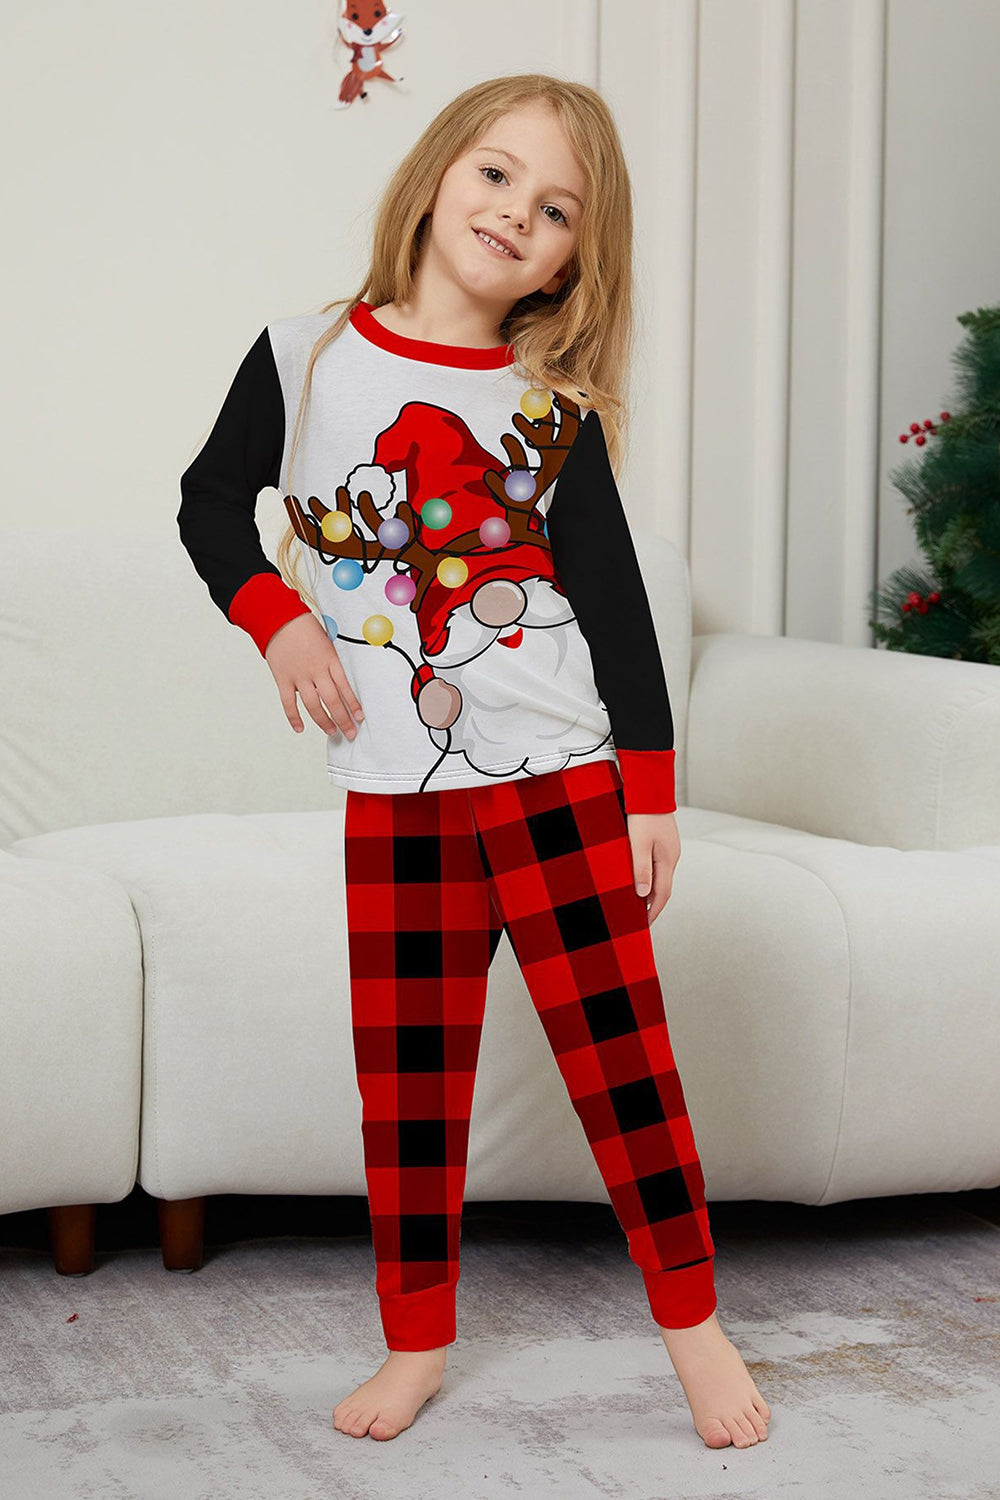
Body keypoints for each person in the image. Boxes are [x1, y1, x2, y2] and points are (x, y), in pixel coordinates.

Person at [177, 71, 771, 1452]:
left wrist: (648, 789)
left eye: (557, 210)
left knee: (624, 1068)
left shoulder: (549, 405)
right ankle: (416, 1340)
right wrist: (276, 622)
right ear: (440, 170)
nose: (516, 214)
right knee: (409, 1082)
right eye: (499, 175)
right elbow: (210, 506)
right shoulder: (305, 357)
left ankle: (693, 1327)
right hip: (396, 791)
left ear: (572, 262)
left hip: (560, 776)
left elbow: (611, 599)